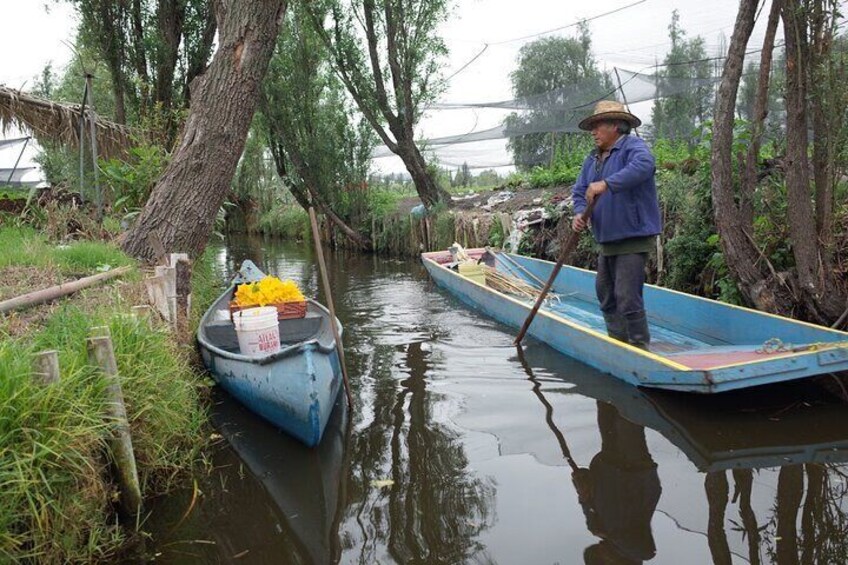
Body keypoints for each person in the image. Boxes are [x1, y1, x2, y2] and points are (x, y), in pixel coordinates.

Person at [571, 100, 661, 350]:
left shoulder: (634, 147)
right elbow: (580, 191)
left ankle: (639, 348)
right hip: (607, 238)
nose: (593, 132)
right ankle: (619, 345)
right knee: (605, 293)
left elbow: (645, 166)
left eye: (598, 126)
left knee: (627, 296)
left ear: (616, 126)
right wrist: (579, 213)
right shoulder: (593, 159)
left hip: (632, 236)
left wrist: (607, 184)